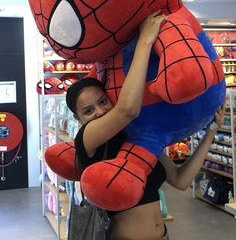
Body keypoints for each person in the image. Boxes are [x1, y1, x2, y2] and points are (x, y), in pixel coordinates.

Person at [66, 12, 225, 240]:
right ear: (78, 118)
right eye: (88, 111)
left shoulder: (138, 136)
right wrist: (145, 41)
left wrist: (211, 132)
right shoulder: (88, 138)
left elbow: (180, 180)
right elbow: (127, 110)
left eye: (103, 101)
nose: (100, 111)